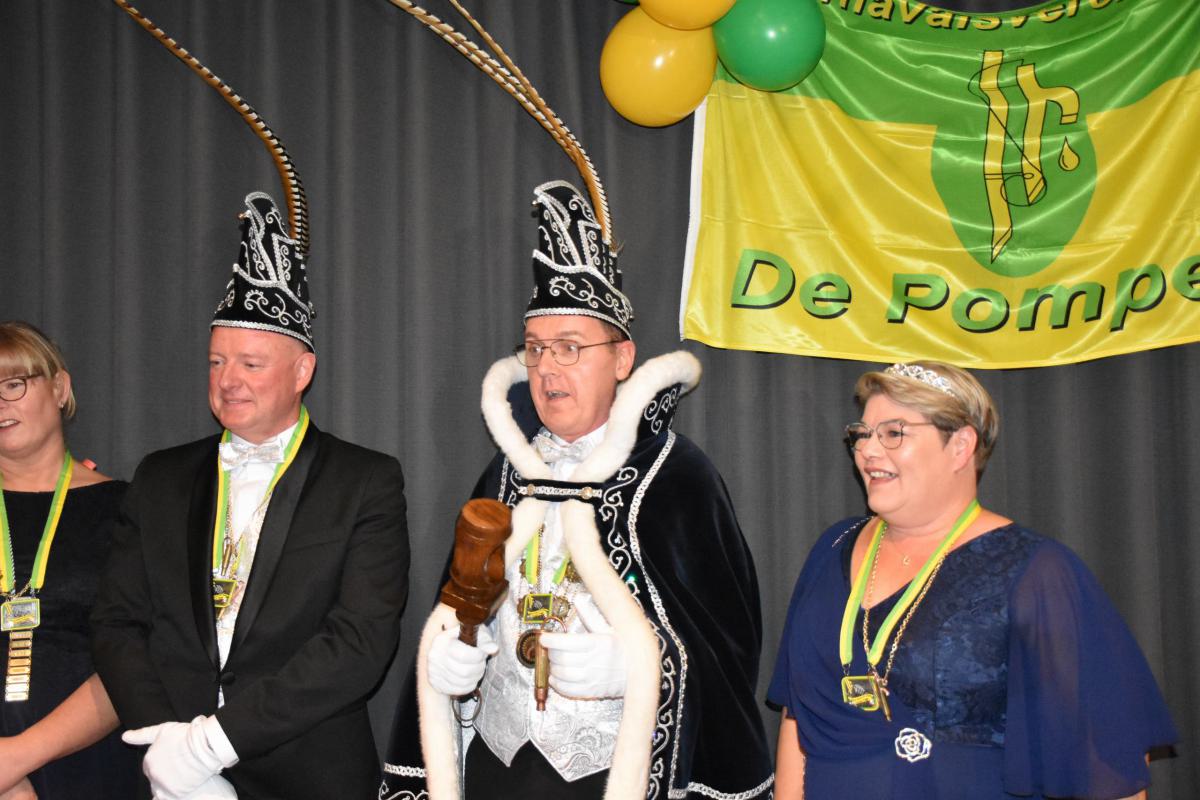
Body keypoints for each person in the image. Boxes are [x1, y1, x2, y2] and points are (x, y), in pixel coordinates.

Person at [382, 180, 774, 800]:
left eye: (570, 348)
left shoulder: (677, 477)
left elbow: (726, 648)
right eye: (536, 349)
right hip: (496, 766)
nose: (547, 368)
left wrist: (635, 668)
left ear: (622, 359)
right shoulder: (506, 471)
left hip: (609, 773)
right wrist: (457, 658)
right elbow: (468, 597)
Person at [90, 192, 410, 799]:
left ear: (302, 371)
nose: (228, 380)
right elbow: (116, 621)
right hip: (170, 770)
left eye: (251, 364)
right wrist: (168, 745)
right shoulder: (160, 476)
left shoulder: (364, 480)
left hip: (309, 775)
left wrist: (214, 743)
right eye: (216, 362)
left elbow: (360, 642)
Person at [768, 360, 1177, 800]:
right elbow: (798, 716)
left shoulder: (1034, 571)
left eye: (893, 433)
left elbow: (1107, 763)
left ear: (961, 445)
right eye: (862, 434)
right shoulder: (832, 548)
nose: (867, 450)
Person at [0, 321, 140, 800]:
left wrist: (16, 758)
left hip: (90, 767)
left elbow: (139, 658)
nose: (1, 403)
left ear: (60, 388)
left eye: (14, 384)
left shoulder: (128, 509)